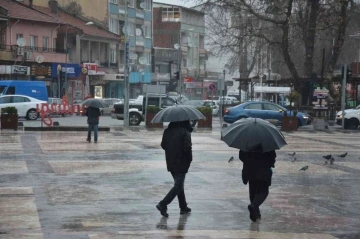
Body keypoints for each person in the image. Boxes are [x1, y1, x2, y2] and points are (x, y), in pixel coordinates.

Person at [156, 121, 193, 217]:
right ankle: (163, 204)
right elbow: (187, 148)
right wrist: (189, 160)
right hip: (181, 162)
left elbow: (163, 145)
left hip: (171, 162)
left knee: (179, 185)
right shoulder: (185, 131)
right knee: (178, 186)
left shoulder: (167, 131)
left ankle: (183, 207)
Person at [239, 145, 276, 222]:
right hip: (263, 171)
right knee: (263, 191)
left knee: (253, 191)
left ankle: (256, 213)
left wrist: (249, 160)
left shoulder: (247, 141)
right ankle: (254, 206)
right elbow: (272, 157)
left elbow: (241, 156)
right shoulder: (267, 142)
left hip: (249, 170)